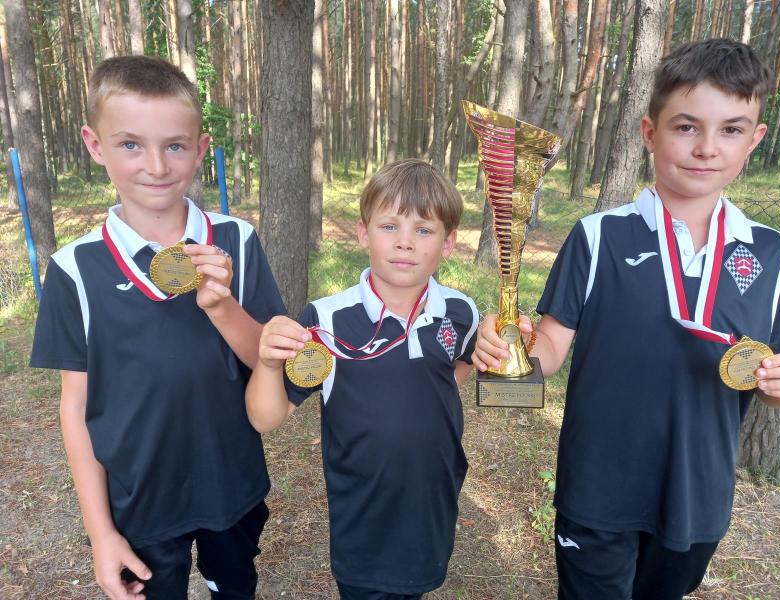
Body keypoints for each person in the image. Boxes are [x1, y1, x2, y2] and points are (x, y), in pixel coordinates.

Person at [472, 38, 780, 600]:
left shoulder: (775, 256)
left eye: (731, 129)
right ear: (650, 132)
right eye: (686, 127)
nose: (706, 148)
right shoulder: (598, 237)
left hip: (698, 495)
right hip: (597, 489)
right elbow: (548, 349)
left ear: (755, 139)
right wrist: (509, 345)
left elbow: (778, 381)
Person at [30, 56, 286, 600]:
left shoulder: (237, 241)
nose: (156, 165)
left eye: (174, 145)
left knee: (233, 587)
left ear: (200, 148)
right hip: (137, 499)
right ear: (95, 145)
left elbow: (265, 361)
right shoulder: (73, 269)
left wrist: (223, 309)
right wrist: (101, 533)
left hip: (230, 482)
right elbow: (76, 406)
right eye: (130, 144)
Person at [246, 158, 479, 600]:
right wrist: (268, 364)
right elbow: (265, 418)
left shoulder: (460, 311)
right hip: (363, 515)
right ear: (363, 233)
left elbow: (458, 367)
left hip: (432, 500)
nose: (405, 242)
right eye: (389, 226)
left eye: (424, 230)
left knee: (417, 587)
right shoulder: (327, 319)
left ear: (448, 243)